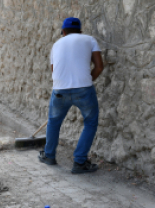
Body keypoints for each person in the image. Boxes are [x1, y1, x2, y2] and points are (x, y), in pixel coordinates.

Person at [38, 17, 104, 174]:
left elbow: (55, 71)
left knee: (54, 123)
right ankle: (79, 162)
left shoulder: (56, 45)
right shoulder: (89, 39)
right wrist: (86, 80)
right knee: (90, 123)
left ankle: (49, 156)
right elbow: (99, 66)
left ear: (63, 32)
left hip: (60, 90)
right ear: (80, 31)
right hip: (84, 89)